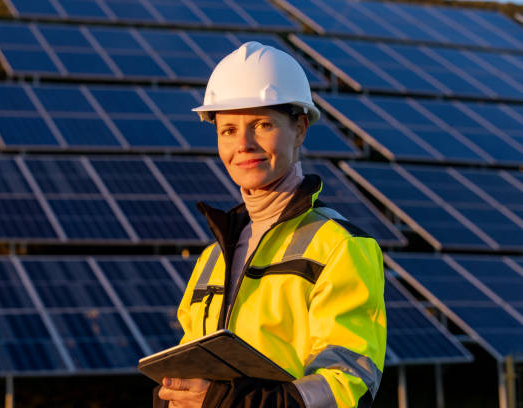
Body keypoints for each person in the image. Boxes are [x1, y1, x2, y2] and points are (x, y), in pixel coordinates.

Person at [154, 41, 386, 408]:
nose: (243, 144)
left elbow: (346, 381)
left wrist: (230, 403)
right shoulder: (211, 258)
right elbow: (192, 371)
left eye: (262, 124)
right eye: (228, 130)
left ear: (300, 129)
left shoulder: (340, 246)